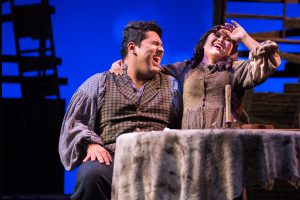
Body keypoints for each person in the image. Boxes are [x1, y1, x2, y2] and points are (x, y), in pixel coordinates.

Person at [59, 21, 182, 200]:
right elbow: (73, 123)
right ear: (133, 47)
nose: (161, 50)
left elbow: (184, 125)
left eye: (162, 45)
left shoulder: (172, 86)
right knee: (91, 175)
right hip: (113, 158)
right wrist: (90, 144)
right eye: (155, 44)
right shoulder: (99, 82)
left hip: (159, 158)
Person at [110, 20, 281, 129]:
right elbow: (149, 67)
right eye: (218, 35)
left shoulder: (236, 69)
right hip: (190, 142)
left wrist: (243, 37)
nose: (222, 40)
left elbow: (269, 61)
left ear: (231, 50)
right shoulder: (183, 68)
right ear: (204, 41)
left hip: (225, 139)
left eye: (228, 40)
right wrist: (124, 63)